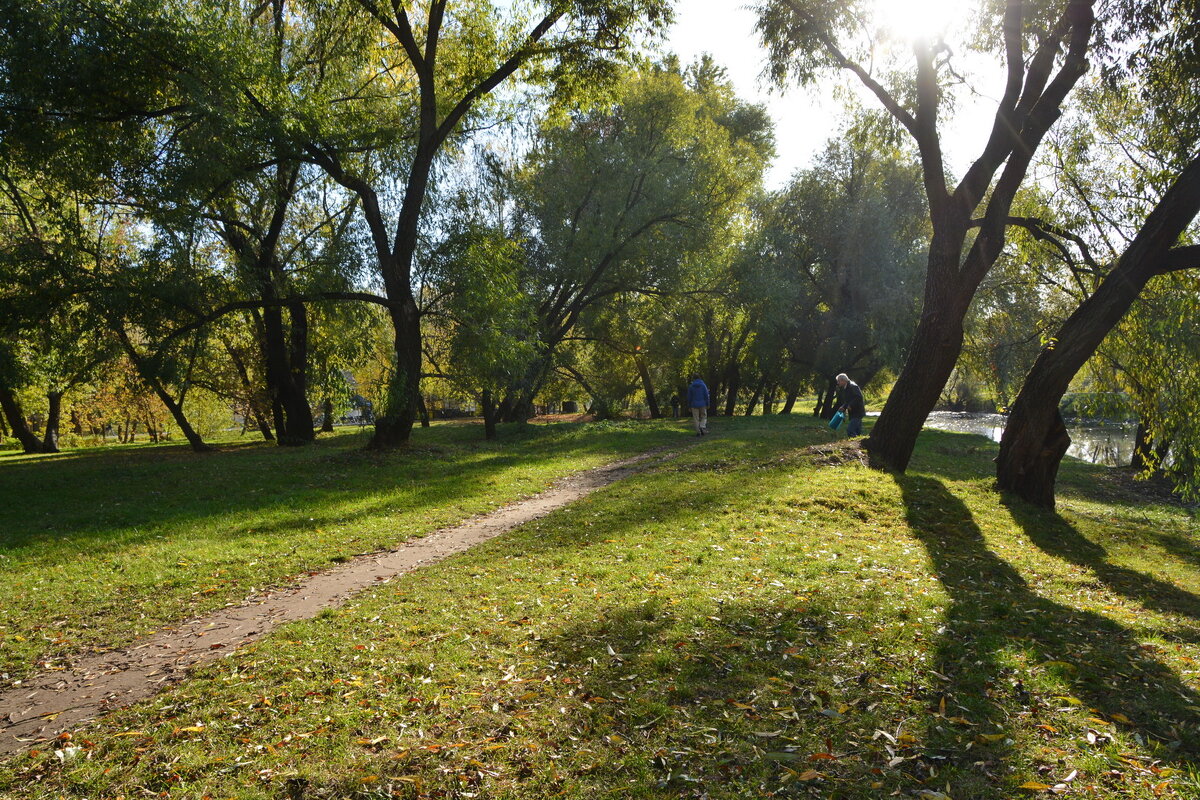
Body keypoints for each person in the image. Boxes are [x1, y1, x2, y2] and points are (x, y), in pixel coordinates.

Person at [835, 372, 866, 437]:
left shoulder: (852, 386)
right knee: (858, 432)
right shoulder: (847, 387)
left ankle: (853, 445)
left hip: (857, 412)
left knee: (850, 430)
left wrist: (850, 405)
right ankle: (858, 445)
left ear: (843, 380)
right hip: (854, 412)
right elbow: (848, 400)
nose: (838, 383)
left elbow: (858, 397)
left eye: (838, 381)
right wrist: (843, 407)